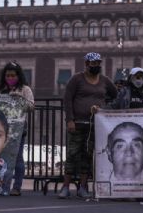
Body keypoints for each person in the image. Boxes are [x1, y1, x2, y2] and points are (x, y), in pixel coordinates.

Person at [59, 52, 117, 199]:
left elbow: (115, 95)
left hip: (95, 125)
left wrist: (105, 107)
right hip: (77, 124)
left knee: (87, 156)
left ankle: (83, 187)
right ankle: (65, 187)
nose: (96, 66)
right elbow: (67, 99)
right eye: (93, 63)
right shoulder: (76, 79)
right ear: (86, 64)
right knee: (72, 155)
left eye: (98, 63)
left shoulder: (104, 80)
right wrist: (69, 120)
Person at [0, 62, 34, 196]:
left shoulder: (25, 89)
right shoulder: (0, 90)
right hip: (2, 129)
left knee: (17, 158)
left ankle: (16, 187)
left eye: (12, 75)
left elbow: (31, 106)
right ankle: (0, 186)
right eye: (7, 75)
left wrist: (20, 99)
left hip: (19, 129)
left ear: (18, 76)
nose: (10, 78)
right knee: (0, 157)